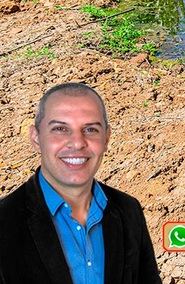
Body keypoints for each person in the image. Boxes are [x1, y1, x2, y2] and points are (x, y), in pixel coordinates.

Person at [0, 83, 161, 284]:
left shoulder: (129, 210)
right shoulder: (4, 222)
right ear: (36, 138)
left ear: (106, 139)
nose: (77, 143)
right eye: (60, 129)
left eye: (90, 129)